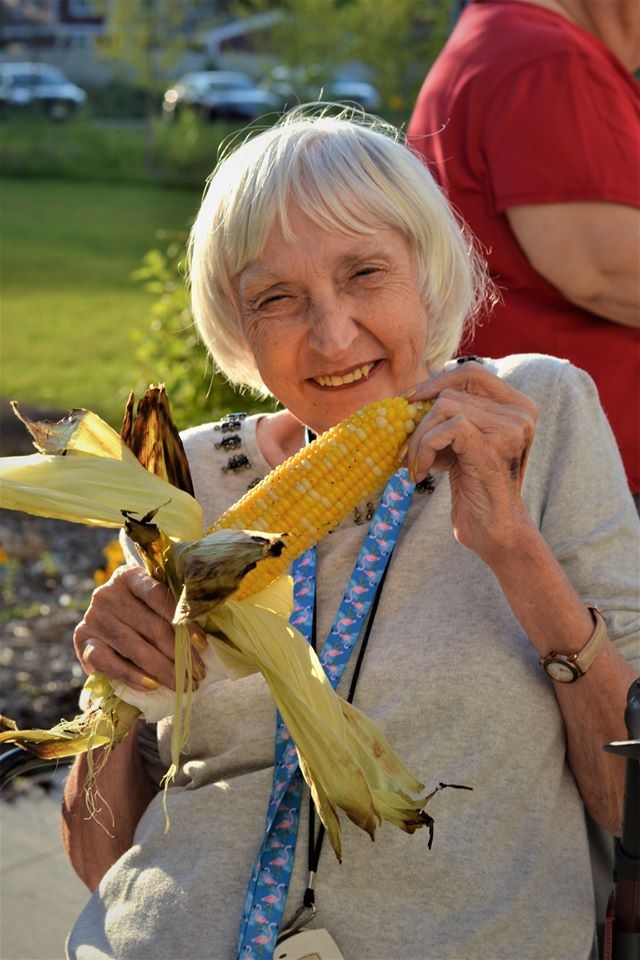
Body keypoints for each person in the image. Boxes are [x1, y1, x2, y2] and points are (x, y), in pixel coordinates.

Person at [61, 107, 639, 960]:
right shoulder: (183, 480)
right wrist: (119, 694)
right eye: (278, 299)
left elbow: (630, 804)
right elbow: (102, 862)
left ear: (427, 275)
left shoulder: (537, 415)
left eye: (365, 273)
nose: (332, 335)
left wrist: (514, 548)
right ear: (238, 325)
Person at [407, 0, 640, 500]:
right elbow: (604, 266)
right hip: (582, 473)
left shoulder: (508, 42)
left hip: (542, 460)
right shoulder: (547, 60)